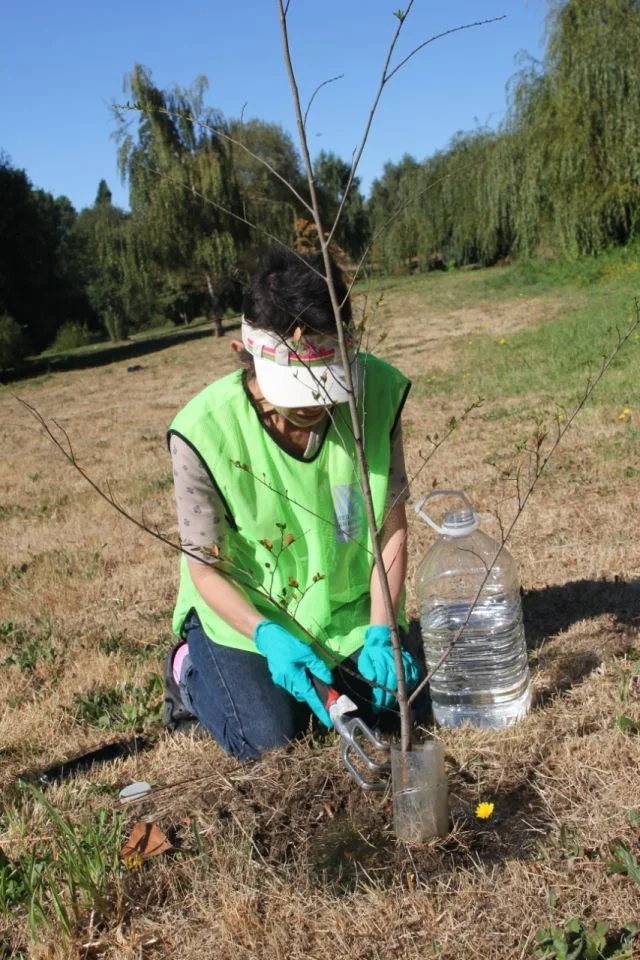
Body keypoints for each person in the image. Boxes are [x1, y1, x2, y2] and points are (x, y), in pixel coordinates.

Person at [163, 248, 423, 761]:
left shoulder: (376, 394)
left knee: (393, 709)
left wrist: (382, 628)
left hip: (342, 606)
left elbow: (390, 528)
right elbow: (205, 567)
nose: (314, 404)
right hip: (245, 614)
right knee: (270, 739)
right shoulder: (201, 432)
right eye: (297, 388)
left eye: (327, 386)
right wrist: (265, 634)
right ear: (245, 353)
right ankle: (189, 671)